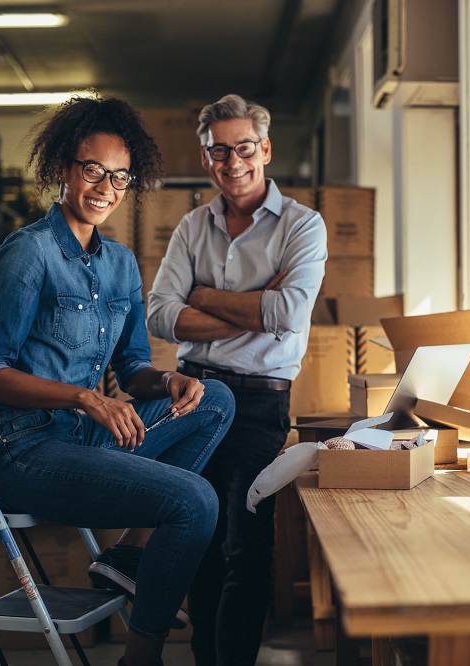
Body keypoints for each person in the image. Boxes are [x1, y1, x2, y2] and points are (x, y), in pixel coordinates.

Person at [0, 93, 235, 666]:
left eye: (120, 176)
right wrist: (83, 398)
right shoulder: (29, 253)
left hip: (85, 440)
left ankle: (129, 556)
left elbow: (133, 370)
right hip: (23, 448)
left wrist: (168, 383)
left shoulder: (119, 263)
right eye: (94, 170)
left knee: (213, 398)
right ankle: (142, 655)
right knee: (195, 502)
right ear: (63, 167)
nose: (106, 187)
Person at [146, 93, 328, 666]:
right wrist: (252, 304)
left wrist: (202, 299)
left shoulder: (304, 226)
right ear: (205, 159)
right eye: (219, 151)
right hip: (192, 394)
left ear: (265, 149)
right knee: (196, 537)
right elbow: (159, 315)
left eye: (244, 148)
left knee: (245, 547)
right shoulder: (191, 227)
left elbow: (289, 314)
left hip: (258, 404)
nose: (233, 162)